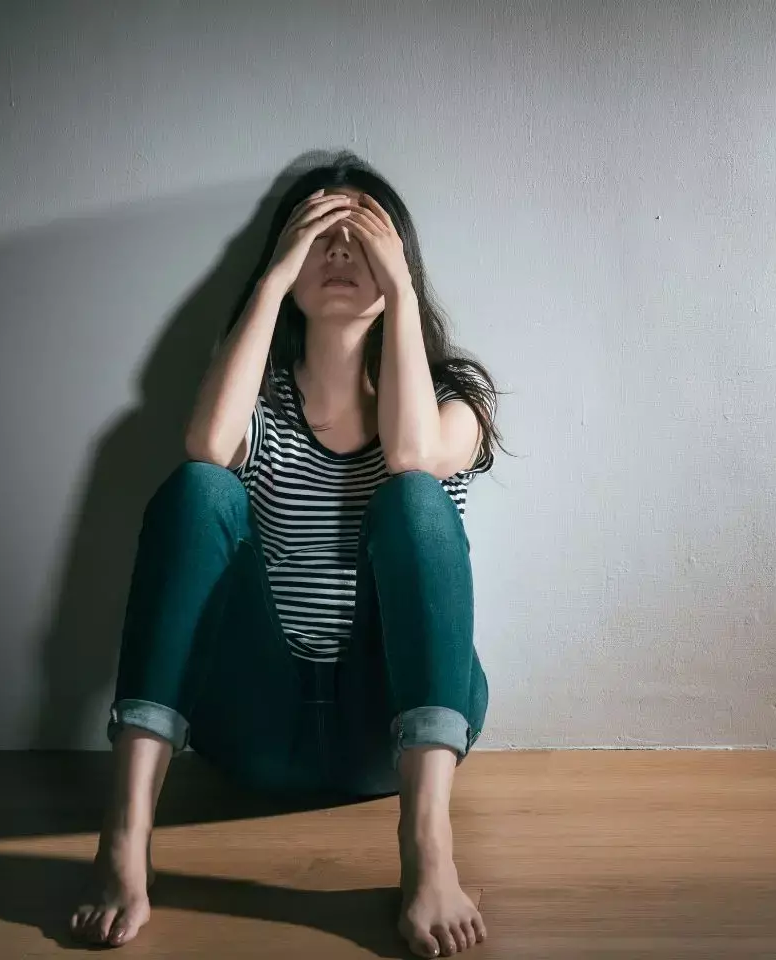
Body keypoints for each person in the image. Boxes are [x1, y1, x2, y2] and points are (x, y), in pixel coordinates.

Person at [68, 153, 507, 957]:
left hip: (388, 733)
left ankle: (429, 850)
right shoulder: (259, 401)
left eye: (361, 237)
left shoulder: (453, 408)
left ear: (398, 260)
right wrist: (271, 282)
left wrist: (402, 290)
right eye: (319, 235)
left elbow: (411, 456)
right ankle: (124, 839)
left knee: (413, 496)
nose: (339, 251)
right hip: (256, 726)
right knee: (200, 487)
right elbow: (208, 444)